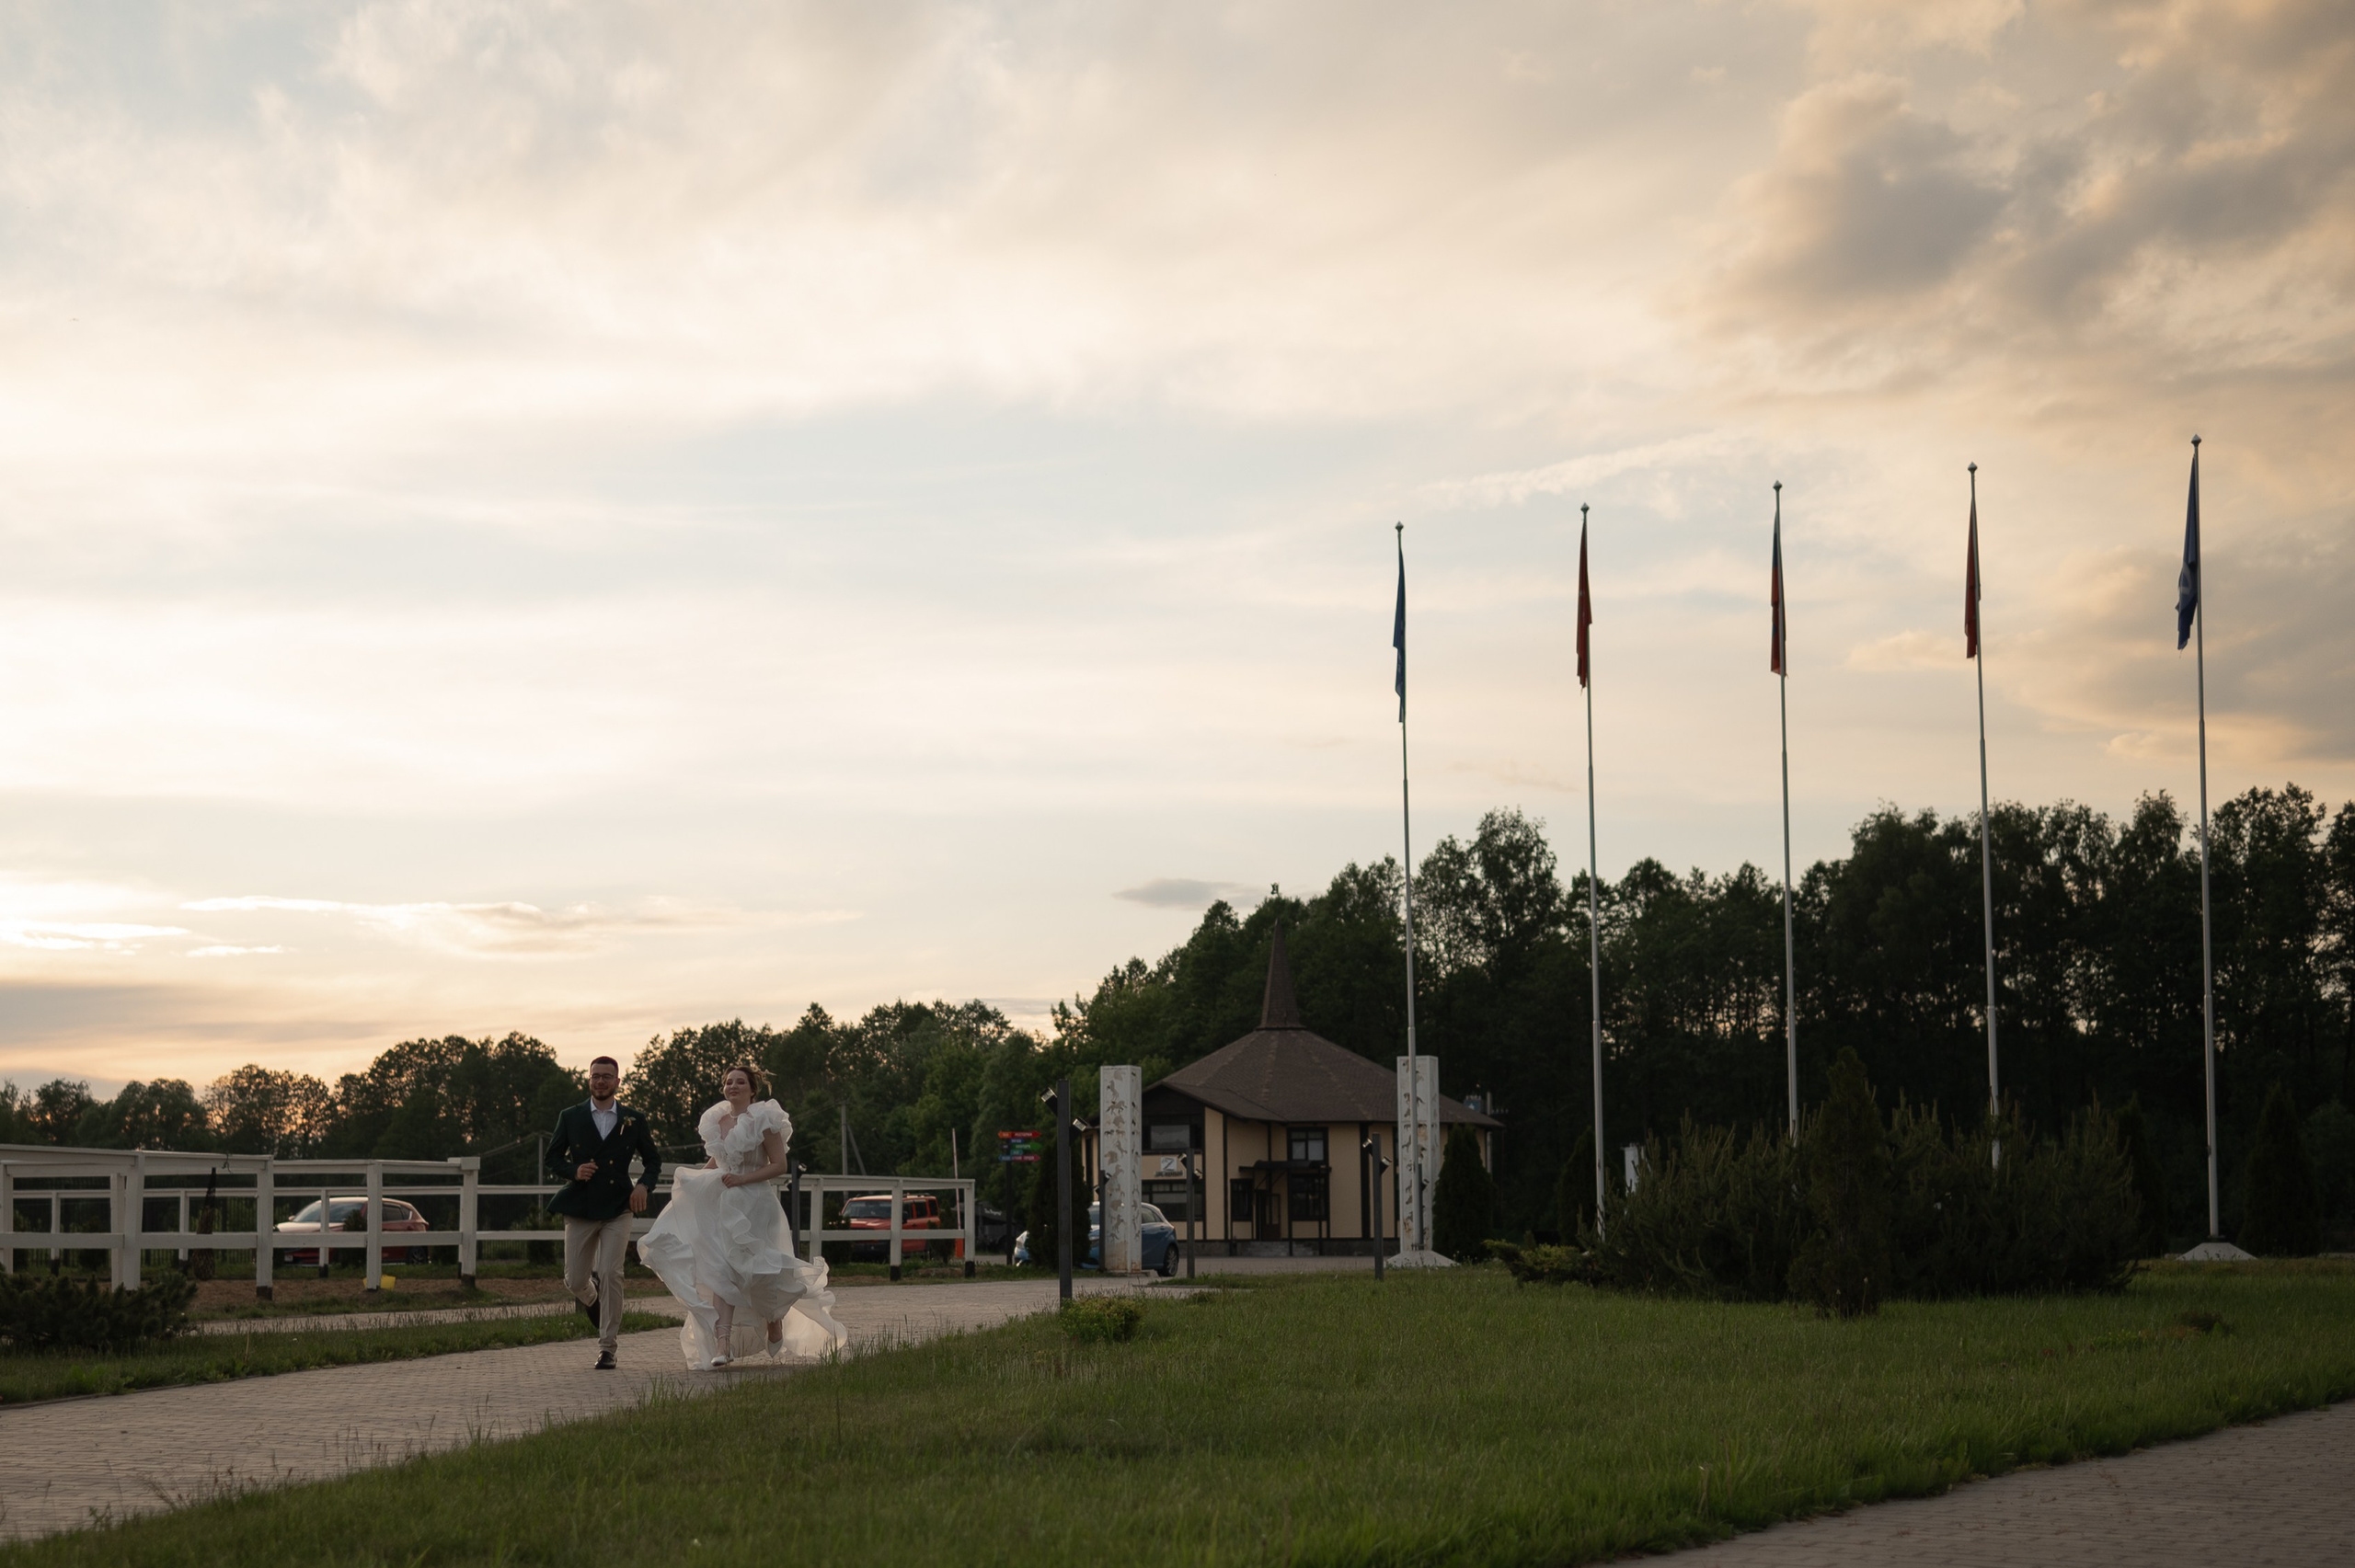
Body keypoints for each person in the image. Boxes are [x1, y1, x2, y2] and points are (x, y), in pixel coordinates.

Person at [637, 1064, 848, 1368]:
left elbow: (778, 1165)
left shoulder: (765, 1119)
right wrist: (696, 1181)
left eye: (740, 1082)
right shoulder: (716, 1120)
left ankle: (774, 1317)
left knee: (759, 1271)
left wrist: (742, 1180)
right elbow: (720, 1160)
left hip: (755, 1204)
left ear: (752, 1089)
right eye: (728, 1082)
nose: (732, 1086)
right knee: (722, 1270)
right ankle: (723, 1344)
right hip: (723, 1204)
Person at [546, 1055, 663, 1370]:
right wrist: (574, 1170)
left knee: (612, 1272)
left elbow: (653, 1160)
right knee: (574, 1279)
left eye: (607, 1077)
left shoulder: (633, 1119)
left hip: (618, 1205)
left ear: (617, 1082)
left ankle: (608, 1347)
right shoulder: (570, 1116)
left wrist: (643, 1187)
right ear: (589, 1080)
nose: (601, 1081)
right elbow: (553, 1158)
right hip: (581, 1205)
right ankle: (593, 1300)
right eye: (596, 1076)